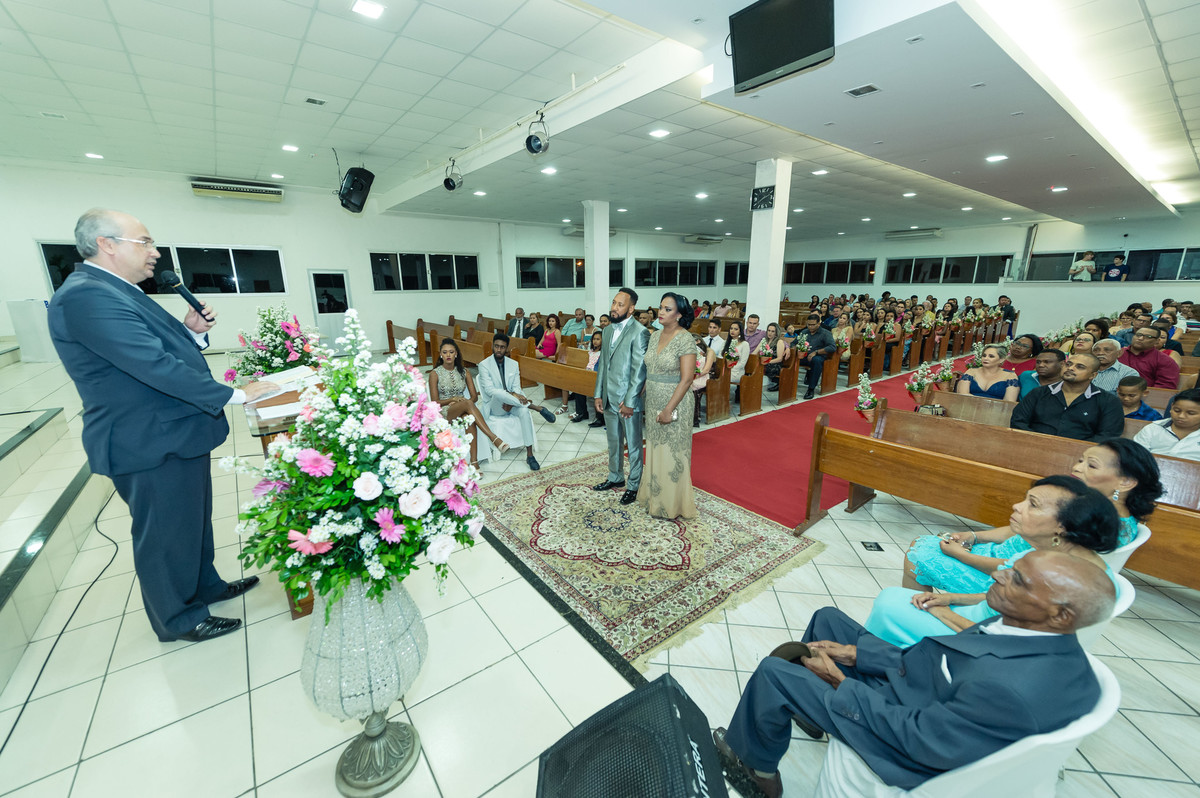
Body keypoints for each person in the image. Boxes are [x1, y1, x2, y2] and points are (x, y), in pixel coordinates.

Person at [48, 208, 276, 643]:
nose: (154, 252)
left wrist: (192, 332)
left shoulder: (118, 290)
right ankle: (178, 618)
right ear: (107, 244)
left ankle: (204, 587)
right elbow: (152, 365)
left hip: (172, 432)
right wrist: (238, 394)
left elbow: (158, 349)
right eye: (145, 242)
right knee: (165, 533)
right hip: (146, 438)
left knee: (191, 522)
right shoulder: (86, 296)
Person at [713, 550, 1114, 796]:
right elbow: (934, 665)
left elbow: (920, 739)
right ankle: (810, 715)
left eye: (1017, 579)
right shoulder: (1030, 629)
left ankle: (757, 771)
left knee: (775, 671)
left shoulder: (1013, 689)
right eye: (1010, 568)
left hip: (907, 740)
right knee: (828, 619)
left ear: (1061, 614)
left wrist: (839, 680)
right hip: (920, 698)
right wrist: (855, 653)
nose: (998, 575)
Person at [871, 477, 1121, 646]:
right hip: (978, 617)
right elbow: (995, 595)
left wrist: (944, 613)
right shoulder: (1047, 553)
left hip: (978, 636)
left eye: (1032, 505)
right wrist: (950, 598)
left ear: (1062, 526)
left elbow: (1010, 643)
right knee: (897, 599)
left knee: (888, 604)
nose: (1017, 506)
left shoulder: (1071, 583)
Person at [637, 293, 698, 519]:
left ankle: (672, 505)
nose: (661, 312)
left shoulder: (685, 339)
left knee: (673, 454)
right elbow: (649, 371)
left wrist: (668, 409)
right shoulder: (655, 336)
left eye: (668, 309)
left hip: (675, 402)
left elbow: (687, 379)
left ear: (679, 314)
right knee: (655, 449)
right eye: (661, 307)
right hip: (653, 399)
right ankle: (655, 499)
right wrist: (636, 396)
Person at [593, 287, 651, 505]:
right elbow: (603, 365)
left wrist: (630, 402)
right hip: (608, 397)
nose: (614, 308)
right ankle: (615, 476)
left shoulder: (640, 332)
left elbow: (639, 372)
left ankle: (634, 485)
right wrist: (598, 394)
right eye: (613, 303)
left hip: (627, 401)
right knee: (613, 441)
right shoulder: (607, 330)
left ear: (631, 308)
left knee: (633, 445)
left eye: (620, 304)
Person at [476, 332, 556, 471]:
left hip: (512, 404)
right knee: (498, 393)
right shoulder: (484, 365)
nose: (499, 350)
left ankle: (530, 455)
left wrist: (512, 400)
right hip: (495, 406)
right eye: (496, 346)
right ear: (493, 346)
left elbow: (517, 389)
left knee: (524, 411)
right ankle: (537, 408)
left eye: (502, 347)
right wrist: (511, 395)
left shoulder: (513, 364)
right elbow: (490, 391)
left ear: (507, 348)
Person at [1010, 353, 1124, 441]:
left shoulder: (1108, 401)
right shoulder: (1039, 393)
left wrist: (1074, 450)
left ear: (1093, 375)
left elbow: (1107, 435)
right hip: (1032, 447)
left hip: (1080, 456)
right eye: (1068, 364)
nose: (1071, 368)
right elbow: (1018, 421)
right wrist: (1036, 442)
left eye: (1080, 367)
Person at [428, 340, 511, 456]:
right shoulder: (435, 373)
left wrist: (462, 404)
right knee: (467, 404)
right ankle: (493, 438)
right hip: (445, 411)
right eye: (445, 352)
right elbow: (434, 402)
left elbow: (474, 397)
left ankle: (474, 462)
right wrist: (452, 400)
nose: (448, 355)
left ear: (456, 354)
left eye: (451, 352)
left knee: (469, 420)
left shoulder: (464, 371)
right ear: (441, 354)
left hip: (464, 407)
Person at [1134, 388, 1200, 459]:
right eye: (1177, 410)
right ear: (1171, 407)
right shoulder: (1152, 429)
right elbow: (1135, 457)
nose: (1181, 416)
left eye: (1191, 413)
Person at [792, 313, 836, 400]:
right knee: (790, 358)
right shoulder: (804, 332)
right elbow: (793, 343)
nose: (810, 327)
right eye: (809, 324)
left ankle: (811, 389)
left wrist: (816, 352)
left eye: (813, 325)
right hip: (804, 356)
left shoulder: (825, 333)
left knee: (816, 361)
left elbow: (832, 347)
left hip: (818, 356)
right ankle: (783, 383)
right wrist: (795, 349)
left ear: (818, 324)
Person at [567, 331, 604, 424]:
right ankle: (582, 413)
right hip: (587, 374)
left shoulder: (603, 353)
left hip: (597, 377)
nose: (595, 341)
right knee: (579, 387)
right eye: (594, 339)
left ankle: (600, 418)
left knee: (598, 392)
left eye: (598, 339)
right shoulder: (590, 352)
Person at [692, 334, 717, 428]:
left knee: (692, 385)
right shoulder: (692, 351)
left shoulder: (709, 351)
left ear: (698, 341)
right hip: (697, 375)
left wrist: (693, 377)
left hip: (708, 376)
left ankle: (695, 418)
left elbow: (706, 370)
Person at [758, 322, 787, 392]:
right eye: (769, 330)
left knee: (766, 367)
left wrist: (767, 362)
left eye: (772, 331)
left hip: (774, 363)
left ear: (776, 333)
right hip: (765, 362)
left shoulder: (779, 342)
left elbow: (779, 358)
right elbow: (756, 351)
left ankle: (778, 383)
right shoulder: (764, 341)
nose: (770, 333)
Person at [723, 320, 750, 389]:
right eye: (731, 328)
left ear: (740, 331)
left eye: (736, 329)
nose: (732, 331)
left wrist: (730, 369)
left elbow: (742, 363)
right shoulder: (726, 342)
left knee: (722, 377)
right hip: (725, 369)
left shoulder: (745, 344)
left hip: (737, 372)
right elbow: (721, 356)